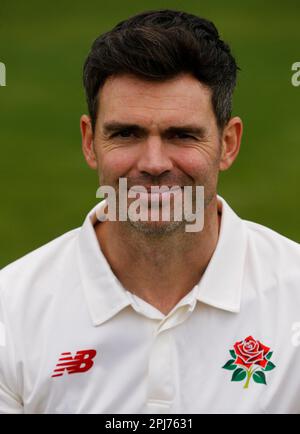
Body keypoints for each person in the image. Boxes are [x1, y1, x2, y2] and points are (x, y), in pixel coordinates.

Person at [0, 9, 300, 415]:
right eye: (126, 134)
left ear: (228, 143)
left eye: (182, 135)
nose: (154, 163)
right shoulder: (11, 311)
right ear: (90, 143)